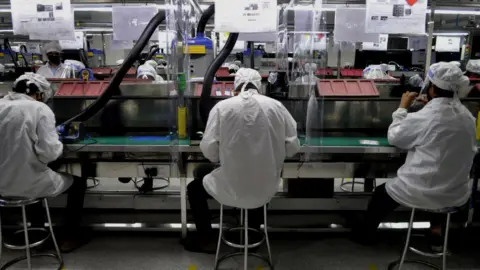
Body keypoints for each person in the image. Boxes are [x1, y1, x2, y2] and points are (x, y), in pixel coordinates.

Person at [355, 62, 477, 251]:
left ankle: (365, 235)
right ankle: (436, 233)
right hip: (456, 193)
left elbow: (395, 137)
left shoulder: (426, 116)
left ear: (432, 88)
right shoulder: (467, 116)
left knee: (381, 194)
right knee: (442, 186)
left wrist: (402, 107)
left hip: (422, 190)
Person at [184, 68, 300, 253]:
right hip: (266, 189)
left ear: (235, 87)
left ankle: (206, 239)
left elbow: (209, 150)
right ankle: (252, 232)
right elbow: (293, 148)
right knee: (257, 178)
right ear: (259, 86)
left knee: (194, 188)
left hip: (231, 187)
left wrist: (223, 156)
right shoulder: (277, 107)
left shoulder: (222, 108)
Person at [0, 73, 88, 253]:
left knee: (31, 177)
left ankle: (36, 228)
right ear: (39, 94)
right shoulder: (39, 109)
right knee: (78, 182)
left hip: (1, 187)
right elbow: (49, 153)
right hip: (28, 184)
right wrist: (58, 143)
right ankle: (70, 234)